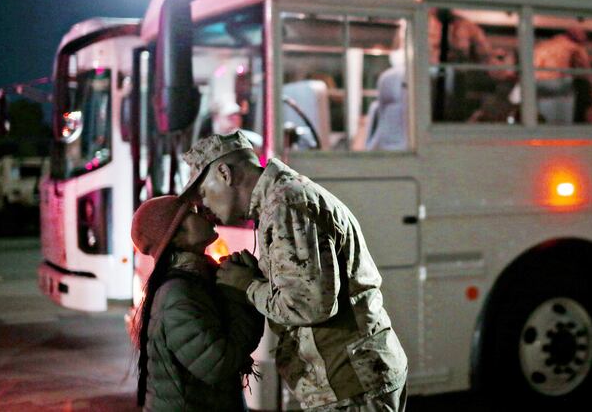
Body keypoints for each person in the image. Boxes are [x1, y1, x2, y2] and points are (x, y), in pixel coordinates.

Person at [181, 131, 408, 411]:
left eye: (202, 192)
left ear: (225, 173)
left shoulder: (285, 204)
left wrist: (248, 285)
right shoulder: (281, 199)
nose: (202, 205)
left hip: (349, 382)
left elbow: (309, 304)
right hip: (348, 378)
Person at [131, 195, 264, 411]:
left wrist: (244, 284)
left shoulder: (199, 280)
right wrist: (239, 293)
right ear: (175, 236)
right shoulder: (178, 294)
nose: (207, 214)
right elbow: (218, 365)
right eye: (193, 213)